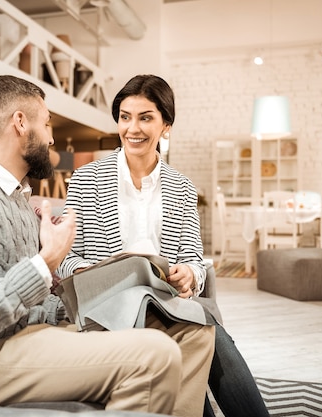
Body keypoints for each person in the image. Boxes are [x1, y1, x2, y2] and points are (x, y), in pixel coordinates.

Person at [0, 74, 215, 417]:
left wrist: (84, 291)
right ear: (21, 123)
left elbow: (31, 303)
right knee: (155, 354)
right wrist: (47, 262)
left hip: (28, 335)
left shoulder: (16, 199)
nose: (52, 138)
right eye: (47, 123)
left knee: (194, 330)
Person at [57, 74, 270, 417]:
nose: (133, 128)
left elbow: (195, 260)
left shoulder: (182, 187)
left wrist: (189, 274)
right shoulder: (86, 179)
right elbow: (65, 256)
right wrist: (84, 271)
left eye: (145, 117)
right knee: (202, 339)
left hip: (166, 304)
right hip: (108, 309)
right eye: (125, 117)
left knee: (208, 333)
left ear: (166, 125)